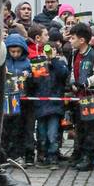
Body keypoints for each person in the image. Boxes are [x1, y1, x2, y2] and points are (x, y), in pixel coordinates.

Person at [26, 24, 68, 168]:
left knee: (53, 133)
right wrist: (31, 75)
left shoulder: (59, 64)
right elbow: (33, 84)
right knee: (42, 134)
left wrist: (54, 60)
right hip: (41, 105)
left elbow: (64, 75)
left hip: (55, 106)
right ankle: (43, 155)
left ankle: (53, 156)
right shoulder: (39, 64)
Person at [67, 23, 94, 171]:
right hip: (79, 98)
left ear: (82, 40)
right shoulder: (74, 54)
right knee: (80, 126)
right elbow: (73, 71)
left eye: (72, 38)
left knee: (91, 128)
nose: (70, 40)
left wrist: (87, 82)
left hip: (91, 98)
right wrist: (73, 83)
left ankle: (88, 156)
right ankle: (79, 152)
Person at [2, 34, 33, 167]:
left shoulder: (26, 62)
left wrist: (29, 75)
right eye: (12, 51)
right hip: (5, 100)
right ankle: (4, 156)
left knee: (19, 129)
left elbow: (33, 77)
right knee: (5, 129)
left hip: (21, 101)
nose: (15, 54)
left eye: (18, 51)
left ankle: (17, 155)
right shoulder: (4, 62)